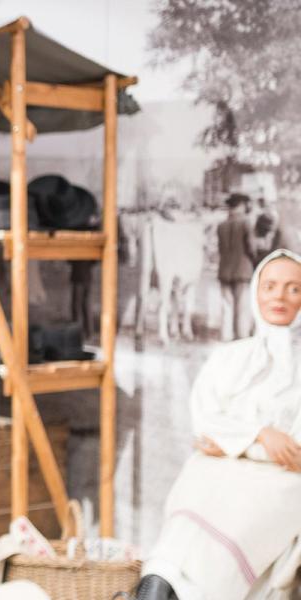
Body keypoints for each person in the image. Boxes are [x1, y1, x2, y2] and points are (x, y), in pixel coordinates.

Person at [138, 249, 301, 600]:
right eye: (270, 286)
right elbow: (207, 422)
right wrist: (260, 436)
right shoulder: (231, 357)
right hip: (217, 469)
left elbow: (293, 453)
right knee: (186, 522)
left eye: (293, 289)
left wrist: (238, 440)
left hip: (282, 482)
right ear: (256, 291)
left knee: (237, 522)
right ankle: (154, 588)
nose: (279, 297)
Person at [218, 193, 256, 340]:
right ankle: (241, 337)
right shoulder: (246, 223)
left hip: (224, 271)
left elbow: (221, 249)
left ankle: (226, 337)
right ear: (241, 206)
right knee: (242, 307)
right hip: (243, 272)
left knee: (227, 307)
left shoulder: (221, 225)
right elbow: (251, 248)